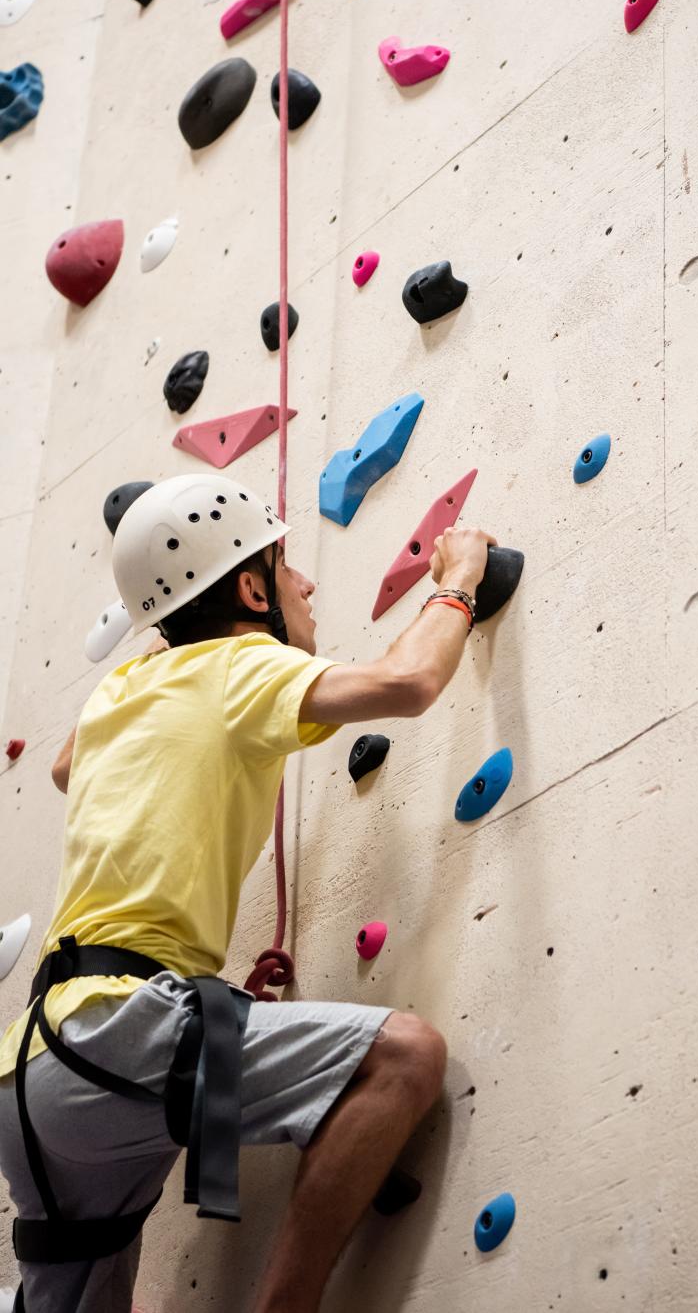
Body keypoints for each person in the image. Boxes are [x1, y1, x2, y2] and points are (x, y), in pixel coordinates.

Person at [0, 472, 495, 1313]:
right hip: (114, 1035)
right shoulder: (240, 665)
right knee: (404, 1058)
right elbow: (407, 685)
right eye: (287, 567)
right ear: (252, 588)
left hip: (30, 1075)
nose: (306, 586)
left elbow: (61, 765)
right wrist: (456, 583)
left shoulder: (123, 689)